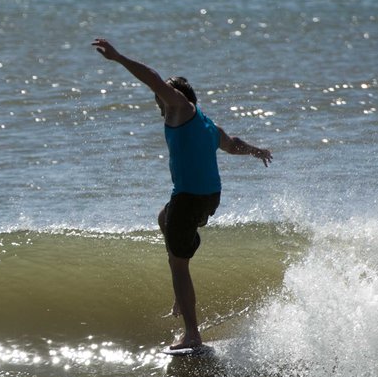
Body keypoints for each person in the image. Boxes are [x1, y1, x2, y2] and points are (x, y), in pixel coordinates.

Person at [92, 38, 273, 350]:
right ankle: (186, 253)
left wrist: (119, 58)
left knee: (178, 265)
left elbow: (152, 77)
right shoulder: (206, 122)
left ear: (174, 96)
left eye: (160, 96)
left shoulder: (180, 109)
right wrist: (257, 152)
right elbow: (231, 144)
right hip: (209, 197)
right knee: (164, 218)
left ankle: (192, 332)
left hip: (188, 197)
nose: (157, 101)